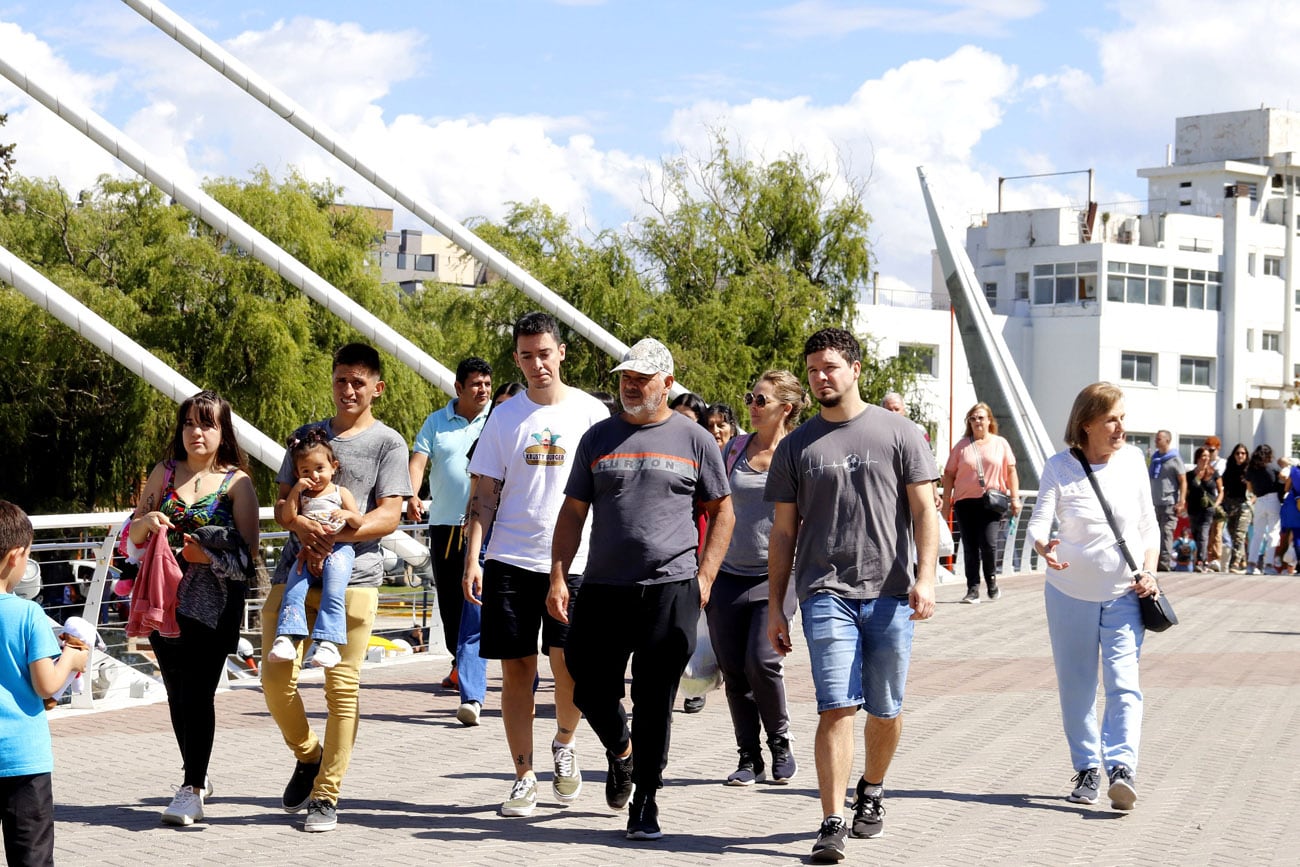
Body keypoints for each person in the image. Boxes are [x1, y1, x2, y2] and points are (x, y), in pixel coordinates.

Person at [548, 337, 734, 841]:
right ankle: (621, 750)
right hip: (604, 587)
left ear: (667, 385)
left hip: (671, 588)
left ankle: (646, 799)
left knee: (655, 699)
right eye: (625, 377)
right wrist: (559, 576)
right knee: (587, 685)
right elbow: (572, 514)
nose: (630, 385)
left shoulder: (695, 440)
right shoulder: (597, 437)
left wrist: (706, 577)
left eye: (641, 379)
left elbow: (722, 513)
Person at [765, 327, 937, 863]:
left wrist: (925, 578)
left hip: (888, 593)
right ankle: (832, 818)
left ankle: (873, 789)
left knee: (885, 710)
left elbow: (925, 511)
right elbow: (784, 533)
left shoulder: (900, 432)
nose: (820, 377)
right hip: (824, 592)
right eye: (813, 369)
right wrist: (777, 605)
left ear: (855, 369)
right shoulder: (796, 446)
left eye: (830, 367)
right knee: (836, 706)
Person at [464, 313, 610, 817]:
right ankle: (522, 776)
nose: (536, 364)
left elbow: (607, 491)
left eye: (544, 353)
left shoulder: (592, 413)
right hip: (510, 556)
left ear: (561, 352)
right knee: (516, 671)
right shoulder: (504, 418)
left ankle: (565, 745)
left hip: (575, 562)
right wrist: (473, 557)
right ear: (517, 359)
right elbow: (484, 492)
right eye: (526, 356)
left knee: (569, 666)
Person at [263, 343, 412, 833]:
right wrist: (300, 528)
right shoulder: (308, 437)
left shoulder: (389, 443)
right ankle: (308, 756)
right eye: (340, 380)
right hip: (294, 572)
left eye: (358, 382)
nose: (348, 390)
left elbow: (388, 515)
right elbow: (283, 503)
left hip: (354, 576)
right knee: (274, 677)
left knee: (341, 689)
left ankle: (326, 795)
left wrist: (335, 533)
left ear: (376, 388)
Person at [127, 391, 259, 826]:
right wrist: (146, 524)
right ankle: (195, 775)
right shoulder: (162, 474)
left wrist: (209, 558)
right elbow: (134, 540)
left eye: (207, 424)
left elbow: (248, 559)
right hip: (164, 603)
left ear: (223, 433)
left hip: (215, 605)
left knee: (199, 693)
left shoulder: (237, 483)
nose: (196, 432)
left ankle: (192, 786)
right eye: (189, 423)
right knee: (177, 694)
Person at [1026, 381, 1159, 812]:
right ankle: (1087, 769)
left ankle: (1122, 768)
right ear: (1086, 425)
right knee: (1078, 686)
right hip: (1069, 595)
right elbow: (1040, 519)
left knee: (1124, 685)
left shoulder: (1134, 461)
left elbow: (1147, 526)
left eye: (1123, 419)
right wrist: (1043, 546)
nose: (1121, 428)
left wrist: (1150, 572)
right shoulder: (1059, 467)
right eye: (1112, 420)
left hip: (1124, 594)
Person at [707, 371, 807, 787]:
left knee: (762, 662)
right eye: (750, 397)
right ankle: (749, 757)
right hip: (728, 574)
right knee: (733, 670)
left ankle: (779, 742)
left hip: (776, 578)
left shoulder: (799, 454)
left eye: (761, 399)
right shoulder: (733, 449)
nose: (752, 404)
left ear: (785, 408)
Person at [0, 500, 90, 866]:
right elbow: (46, 684)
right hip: (23, 760)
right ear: (16, 557)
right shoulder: (27, 613)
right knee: (31, 858)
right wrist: (72, 657)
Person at [407, 357, 492, 687]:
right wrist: (412, 495)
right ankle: (461, 663)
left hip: (486, 524)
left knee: (487, 595)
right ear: (459, 387)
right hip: (445, 524)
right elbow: (418, 463)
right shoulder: (435, 422)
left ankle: (484, 665)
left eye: (487, 383)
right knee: (451, 597)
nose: (483, 389)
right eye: (476, 384)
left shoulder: (495, 419)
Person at [454, 380, 525, 727]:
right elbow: (476, 492)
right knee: (474, 619)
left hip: (522, 545)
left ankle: (524, 689)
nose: (504, 412)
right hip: (486, 538)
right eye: (499, 406)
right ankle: (472, 697)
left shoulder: (535, 439)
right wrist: (470, 537)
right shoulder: (487, 441)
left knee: (522, 626)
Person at [267, 429, 363, 668]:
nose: (314, 476)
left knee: (333, 588)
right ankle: (287, 637)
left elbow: (359, 523)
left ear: (334, 466)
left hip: (339, 548)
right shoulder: (303, 495)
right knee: (294, 587)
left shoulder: (341, 492)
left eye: (320, 469)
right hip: (306, 550)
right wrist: (296, 490)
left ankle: (329, 642)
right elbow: (288, 518)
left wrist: (347, 514)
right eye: (305, 471)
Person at [941, 402, 1021, 603]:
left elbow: (1011, 471)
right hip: (964, 502)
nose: (977, 421)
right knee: (969, 546)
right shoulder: (962, 446)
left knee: (988, 543)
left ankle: (991, 581)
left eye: (981, 417)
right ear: (969, 421)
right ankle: (973, 589)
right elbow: (949, 474)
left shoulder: (1000, 443)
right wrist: (946, 502)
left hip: (991, 502)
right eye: (974, 418)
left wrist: (1014, 498)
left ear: (989, 421)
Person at [1148, 431, 1187, 571]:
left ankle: (1164, 564)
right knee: (1154, 533)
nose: (1156, 441)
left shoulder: (1174, 458)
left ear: (1167, 440)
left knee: (1166, 533)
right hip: (1154, 502)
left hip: (1169, 502)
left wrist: (1181, 501)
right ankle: (1154, 562)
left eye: (1158, 439)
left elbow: (1183, 481)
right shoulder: (1155, 458)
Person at [1245, 444, 1282, 574]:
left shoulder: (1251, 469)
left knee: (1257, 534)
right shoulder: (1273, 468)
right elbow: (1281, 481)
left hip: (1259, 501)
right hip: (1273, 500)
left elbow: (1249, 488)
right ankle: (1269, 565)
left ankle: (1251, 564)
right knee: (1273, 533)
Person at [1185, 447, 1223, 572]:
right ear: (1197, 458)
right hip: (1193, 508)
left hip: (1208, 509)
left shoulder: (1214, 473)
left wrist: (1216, 504)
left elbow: (1221, 491)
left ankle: (1201, 561)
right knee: (1196, 534)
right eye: (1203, 456)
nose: (1206, 458)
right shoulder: (1190, 475)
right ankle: (1203, 558)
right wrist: (1184, 504)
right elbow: (1186, 492)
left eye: (1207, 456)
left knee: (1203, 533)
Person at [1221, 443, 1252, 574]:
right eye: (1237, 453)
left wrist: (1252, 499)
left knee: (1240, 535)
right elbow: (1224, 488)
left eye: (1243, 453)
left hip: (1245, 504)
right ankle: (1243, 562)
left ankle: (1234, 564)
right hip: (1231, 505)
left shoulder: (1250, 470)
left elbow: (1255, 489)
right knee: (1234, 535)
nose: (1240, 456)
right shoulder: (1229, 470)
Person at [1202, 436, 1227, 570]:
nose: (1209, 453)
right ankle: (1206, 558)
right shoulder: (1202, 464)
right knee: (1205, 531)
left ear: (1218, 449)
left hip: (1218, 500)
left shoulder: (1222, 464)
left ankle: (1216, 559)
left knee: (1217, 531)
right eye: (1207, 450)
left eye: (1212, 450)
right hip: (1204, 502)